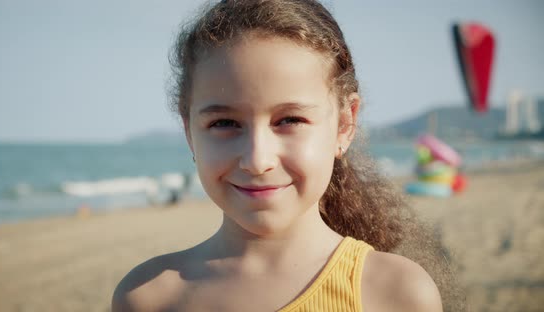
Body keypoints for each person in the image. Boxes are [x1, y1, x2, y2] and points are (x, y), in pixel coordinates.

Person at [114, 1, 459, 311]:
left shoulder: (394, 294)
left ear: (344, 124)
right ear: (189, 130)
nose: (256, 159)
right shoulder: (148, 297)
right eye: (224, 123)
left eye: (290, 120)